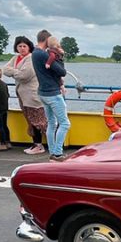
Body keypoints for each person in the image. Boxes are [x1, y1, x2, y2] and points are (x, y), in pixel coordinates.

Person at [3, 36, 47, 155]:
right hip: (22, 94)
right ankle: (36, 144)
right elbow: (5, 70)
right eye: (19, 46)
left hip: (32, 95)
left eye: (24, 46)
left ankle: (40, 145)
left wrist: (13, 72)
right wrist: (16, 72)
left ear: (29, 47)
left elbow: (25, 76)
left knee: (37, 120)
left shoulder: (31, 58)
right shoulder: (15, 58)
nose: (22, 48)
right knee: (30, 119)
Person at [32, 29, 70, 162]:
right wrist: (61, 55)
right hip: (52, 94)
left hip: (43, 92)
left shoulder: (35, 53)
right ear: (47, 39)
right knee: (65, 123)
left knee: (52, 123)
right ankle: (57, 153)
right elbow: (62, 71)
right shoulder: (43, 54)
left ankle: (53, 152)